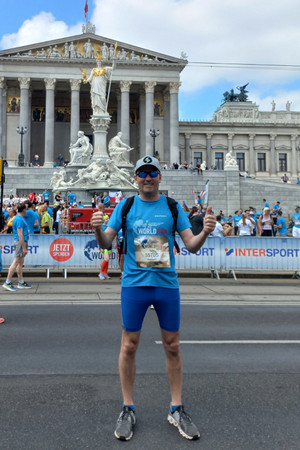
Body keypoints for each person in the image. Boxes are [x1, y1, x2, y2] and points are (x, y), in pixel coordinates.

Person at [91, 155, 216, 441]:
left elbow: (192, 246)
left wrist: (206, 232)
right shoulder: (126, 206)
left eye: (153, 172)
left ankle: (176, 408)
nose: (147, 177)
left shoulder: (172, 207)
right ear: (135, 178)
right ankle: (127, 407)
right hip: (134, 285)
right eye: (142, 172)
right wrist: (97, 227)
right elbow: (107, 243)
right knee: (129, 346)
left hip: (166, 285)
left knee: (173, 346)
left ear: (160, 177)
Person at [2, 203, 32, 291]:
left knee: (20, 262)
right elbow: (20, 234)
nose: (26, 211)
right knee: (16, 262)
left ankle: (21, 282)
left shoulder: (18, 218)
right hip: (20, 242)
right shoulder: (19, 219)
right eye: (26, 209)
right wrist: (24, 247)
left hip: (21, 242)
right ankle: (7, 282)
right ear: (23, 210)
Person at [98, 215, 112, 280]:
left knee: (107, 260)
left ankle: (105, 273)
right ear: (104, 220)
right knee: (106, 259)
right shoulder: (101, 227)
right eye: (106, 219)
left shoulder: (109, 226)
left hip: (109, 244)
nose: (108, 220)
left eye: (108, 218)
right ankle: (101, 273)